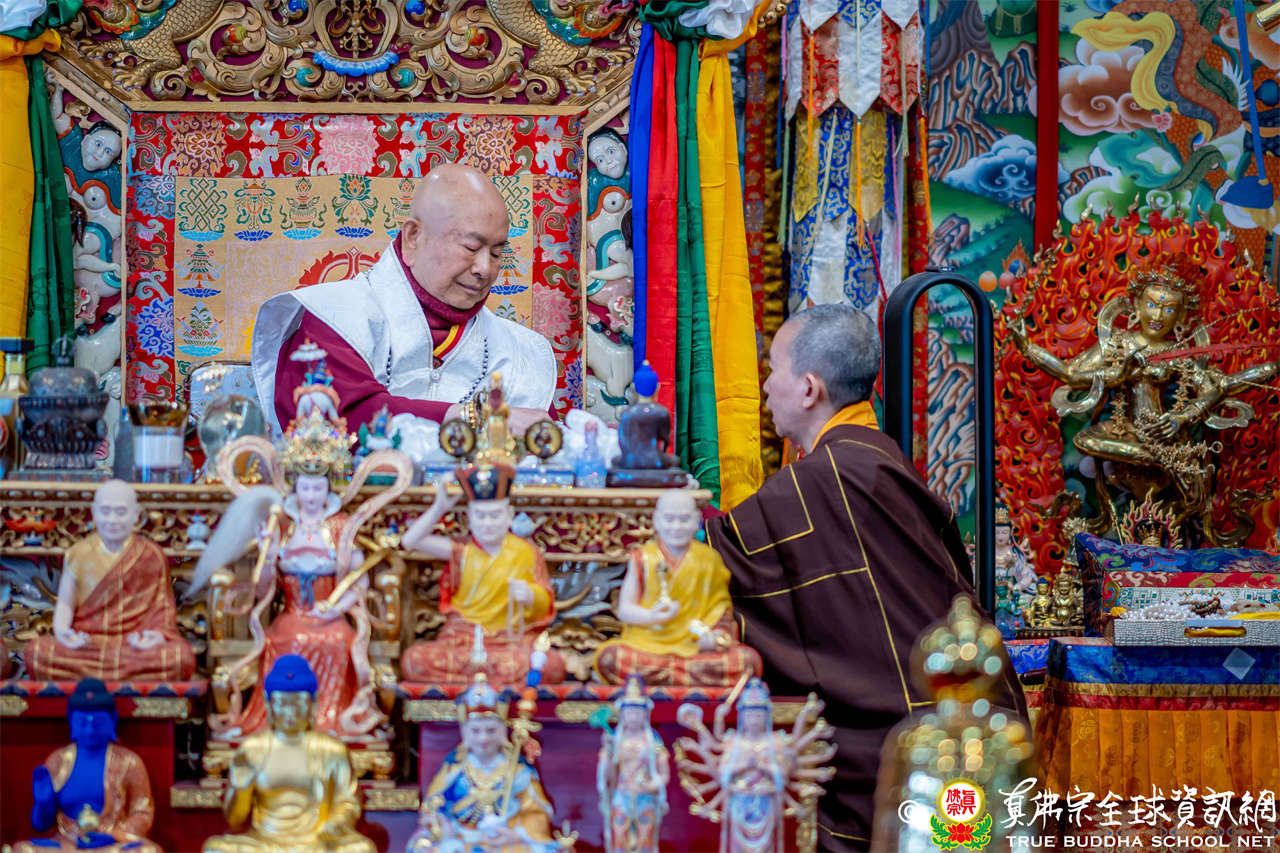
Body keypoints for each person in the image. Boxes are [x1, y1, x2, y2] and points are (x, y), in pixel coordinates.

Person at [704, 304, 1026, 851]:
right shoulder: (876, 460)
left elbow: (711, 560)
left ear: (809, 388)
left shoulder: (823, 480)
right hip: (972, 725)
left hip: (903, 748)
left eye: (773, 369)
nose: (765, 387)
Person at [251, 163, 557, 435]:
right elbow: (341, 418)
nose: (485, 269)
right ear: (413, 237)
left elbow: (547, 450)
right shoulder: (335, 317)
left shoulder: (520, 353)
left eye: (497, 253)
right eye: (470, 248)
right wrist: (475, 418)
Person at [24, 480, 195, 682]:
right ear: (94, 512)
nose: (112, 520)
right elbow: (65, 605)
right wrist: (63, 633)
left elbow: (163, 610)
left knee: (180, 657)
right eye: (105, 511)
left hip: (135, 646)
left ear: (136, 515)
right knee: (36, 651)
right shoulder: (78, 553)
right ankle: (121, 677)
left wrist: (156, 636)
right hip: (88, 644)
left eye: (121, 512)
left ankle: (95, 677)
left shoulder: (151, 555)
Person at [202, 655, 375, 853]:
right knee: (216, 849)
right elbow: (235, 820)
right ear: (268, 703)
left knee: (361, 849)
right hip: (265, 842)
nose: (290, 712)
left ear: (314, 702)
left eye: (298, 703)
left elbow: (347, 802)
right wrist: (241, 788)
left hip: (316, 842)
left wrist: (336, 825)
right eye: (282, 703)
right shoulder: (252, 749)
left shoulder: (330, 749)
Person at [593, 489, 760, 686]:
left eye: (684, 519)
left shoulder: (709, 560)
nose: (676, 527)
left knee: (747, 661)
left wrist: (714, 637)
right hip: (650, 642)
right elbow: (625, 609)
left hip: (696, 644)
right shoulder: (643, 557)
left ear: (696, 521)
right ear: (656, 521)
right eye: (669, 519)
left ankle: (661, 677)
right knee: (609, 658)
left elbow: (721, 612)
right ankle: (684, 677)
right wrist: (652, 616)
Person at [409, 674, 565, 853]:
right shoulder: (455, 768)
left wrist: (516, 833)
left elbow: (537, 813)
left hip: (505, 841)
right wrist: (440, 824)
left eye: (490, 730)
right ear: (465, 732)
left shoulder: (517, 771)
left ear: (502, 732)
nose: (483, 738)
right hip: (461, 838)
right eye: (475, 731)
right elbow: (433, 808)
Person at [11, 678, 160, 853]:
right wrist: (42, 803)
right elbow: (40, 825)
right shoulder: (58, 760)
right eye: (82, 723)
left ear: (113, 720)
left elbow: (143, 813)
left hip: (111, 844)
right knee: (23, 849)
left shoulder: (129, 762)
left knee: (148, 851)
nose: (90, 730)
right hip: (67, 843)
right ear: (70, 720)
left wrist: (113, 835)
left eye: (98, 723)